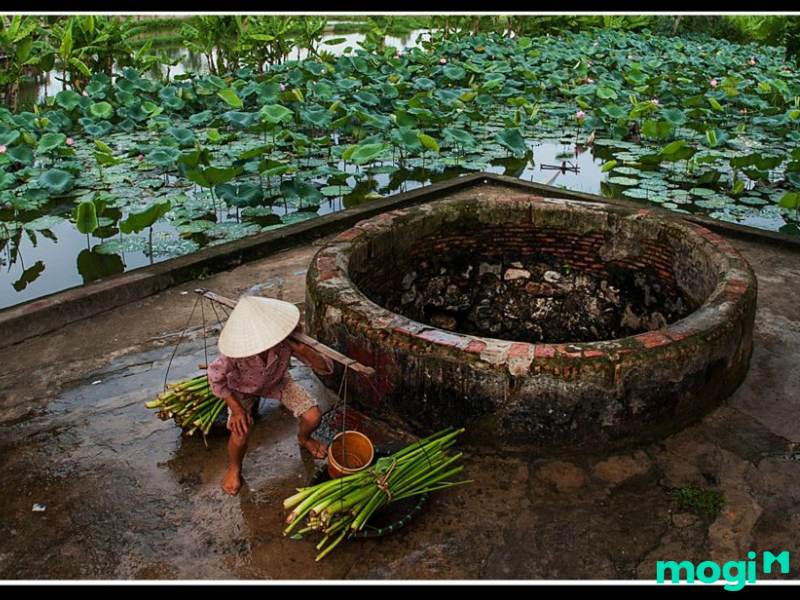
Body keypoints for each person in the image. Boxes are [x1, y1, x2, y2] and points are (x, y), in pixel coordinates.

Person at [207, 295, 334, 496]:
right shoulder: (235, 352)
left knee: (313, 416)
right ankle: (234, 467)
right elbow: (215, 378)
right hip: (242, 390)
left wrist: (304, 350)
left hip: (278, 382)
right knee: (239, 435)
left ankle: (304, 438)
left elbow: (326, 367)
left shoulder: (285, 340)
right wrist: (237, 409)